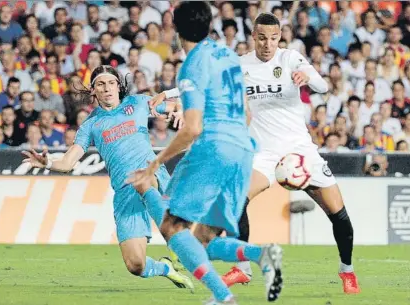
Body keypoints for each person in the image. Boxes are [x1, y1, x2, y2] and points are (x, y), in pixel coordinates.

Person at [152, 12, 360, 295]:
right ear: (253, 36)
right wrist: (170, 93)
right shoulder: (241, 65)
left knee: (339, 214)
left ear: (280, 38)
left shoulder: (290, 59)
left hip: (299, 150)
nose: (268, 44)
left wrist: (307, 77)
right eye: (262, 38)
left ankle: (347, 270)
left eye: (274, 38)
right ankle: (244, 269)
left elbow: (322, 85)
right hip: (264, 152)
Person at [129, 3, 283, 305]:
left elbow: (193, 128)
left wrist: (155, 163)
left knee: (173, 226)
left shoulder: (192, 64)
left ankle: (224, 296)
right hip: (242, 150)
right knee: (202, 240)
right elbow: (247, 113)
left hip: (215, 148)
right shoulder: (226, 54)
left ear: (175, 28)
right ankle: (261, 254)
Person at [21, 65, 193, 290]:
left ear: (118, 86)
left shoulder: (138, 103)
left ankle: (176, 242)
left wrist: (179, 109)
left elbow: (178, 105)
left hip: (151, 174)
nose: (107, 88)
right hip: (124, 192)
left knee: (144, 180)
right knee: (135, 265)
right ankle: (166, 268)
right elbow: (68, 162)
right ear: (93, 91)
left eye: (111, 82)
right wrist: (48, 163)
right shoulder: (91, 124)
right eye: (101, 84)